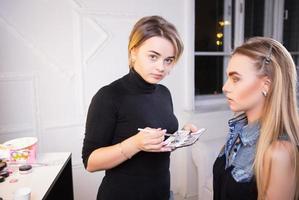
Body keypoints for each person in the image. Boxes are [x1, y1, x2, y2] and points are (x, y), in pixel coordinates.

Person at [82, 15, 197, 200]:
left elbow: (158, 145)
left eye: (168, 60)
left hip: (161, 193)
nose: (161, 67)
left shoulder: (164, 93)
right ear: (133, 52)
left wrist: (180, 137)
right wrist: (135, 143)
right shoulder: (109, 96)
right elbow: (90, 162)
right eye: (153, 57)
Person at [213, 37, 299, 200]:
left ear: (266, 85)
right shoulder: (238, 132)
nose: (225, 87)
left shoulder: (280, 152)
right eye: (228, 78)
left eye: (235, 79)